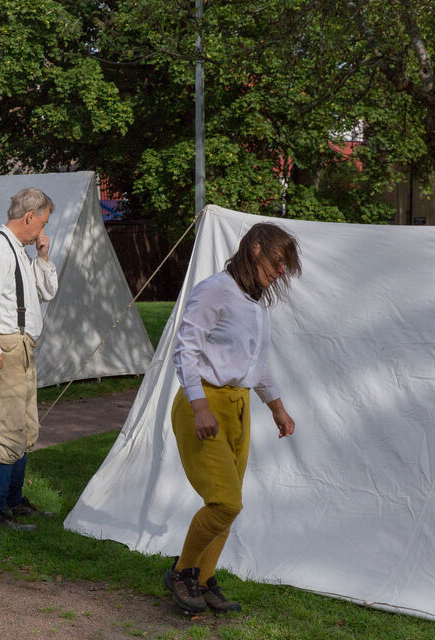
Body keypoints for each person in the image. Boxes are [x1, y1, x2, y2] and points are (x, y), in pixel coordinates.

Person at [164, 222, 302, 613]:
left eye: (285, 265)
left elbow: (256, 363)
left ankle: (204, 579)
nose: (281, 271)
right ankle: (182, 573)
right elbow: (185, 350)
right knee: (224, 502)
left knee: (231, 502)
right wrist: (199, 406)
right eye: (278, 261)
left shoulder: (255, 303)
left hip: (238, 408)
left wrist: (277, 408)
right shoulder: (215, 290)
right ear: (255, 248)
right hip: (205, 404)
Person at [0, 188, 59, 531]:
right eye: (43, 223)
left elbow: (46, 291)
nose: (42, 230)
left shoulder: (17, 249)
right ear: (30, 217)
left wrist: (43, 257)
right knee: (7, 428)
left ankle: (14, 501)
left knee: (25, 427)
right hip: (4, 348)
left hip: (21, 347)